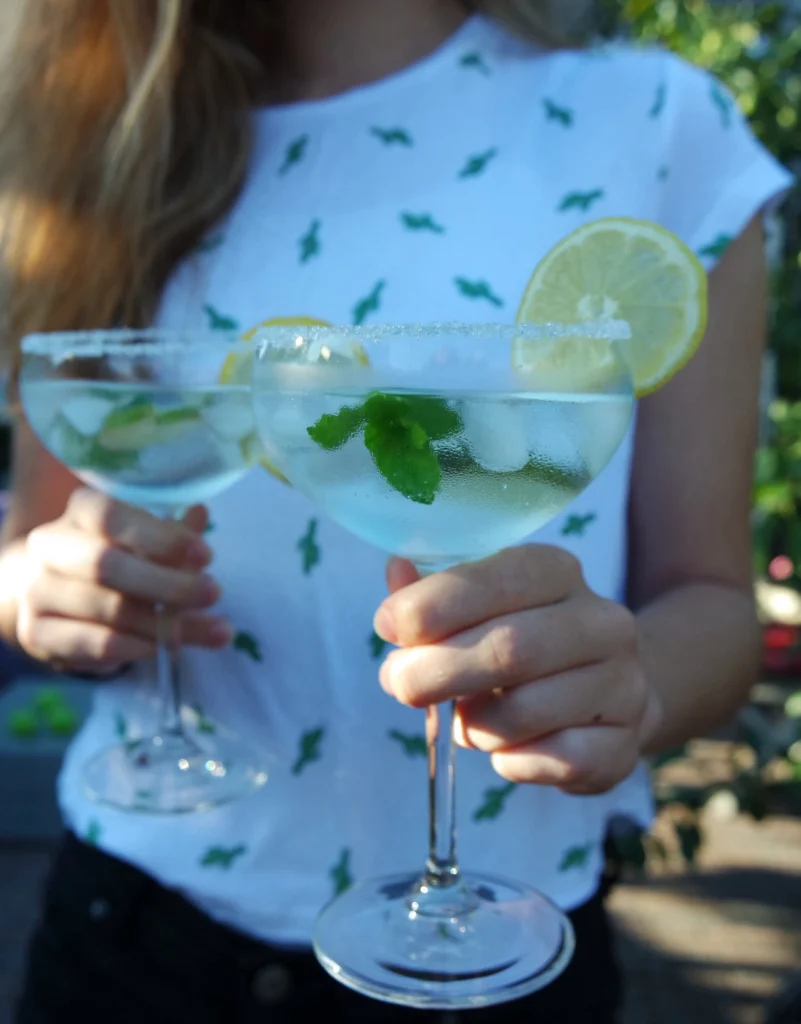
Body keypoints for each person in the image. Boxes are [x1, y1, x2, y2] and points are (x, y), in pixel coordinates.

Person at [0, 1, 792, 1021]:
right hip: (132, 925)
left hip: (507, 957)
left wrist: (629, 690)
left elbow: (716, 604)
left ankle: (441, 873)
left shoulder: (653, 122)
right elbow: (36, 535)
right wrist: (36, 591)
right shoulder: (89, 130)